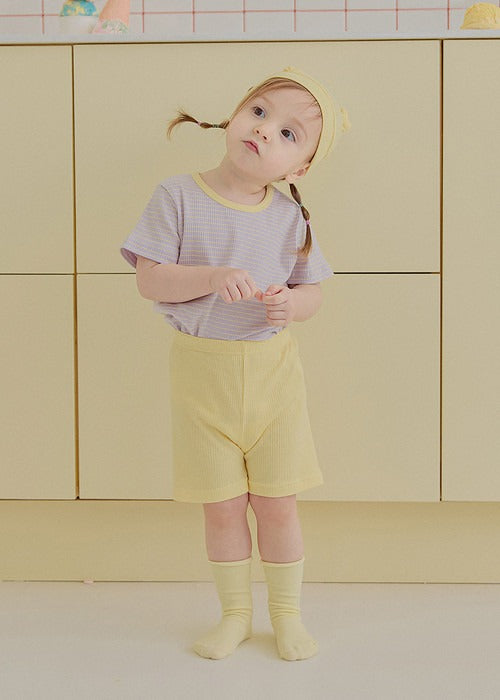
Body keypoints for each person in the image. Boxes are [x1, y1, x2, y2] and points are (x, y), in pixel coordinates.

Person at [120, 66, 350, 661]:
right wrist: (213, 276)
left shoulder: (290, 219)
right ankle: (235, 615)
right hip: (203, 381)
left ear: (299, 169)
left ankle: (287, 616)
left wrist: (291, 306)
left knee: (277, 503)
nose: (266, 130)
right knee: (222, 506)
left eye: (289, 134)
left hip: (274, 381)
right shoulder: (177, 195)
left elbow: (313, 293)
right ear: (237, 113)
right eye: (260, 111)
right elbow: (149, 279)